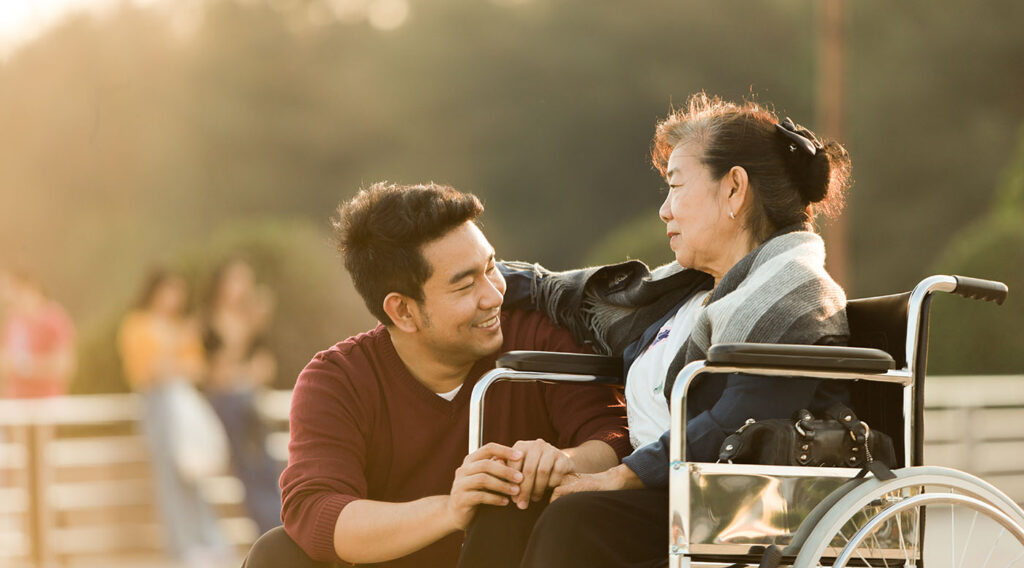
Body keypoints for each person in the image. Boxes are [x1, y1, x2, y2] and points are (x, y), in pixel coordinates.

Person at [460, 92, 853, 568]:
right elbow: (567, 295)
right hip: (669, 491)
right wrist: (465, 276)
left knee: (576, 518)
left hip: (744, 505)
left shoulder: (794, 295)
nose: (665, 210)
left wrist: (621, 476)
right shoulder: (684, 295)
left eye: (676, 186)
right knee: (507, 505)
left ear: (733, 189)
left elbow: (740, 416)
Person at [241, 182, 630, 568]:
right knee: (276, 553)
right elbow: (317, 512)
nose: (494, 295)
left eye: (491, 267)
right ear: (403, 312)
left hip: (524, 554)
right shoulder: (338, 379)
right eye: (465, 285)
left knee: (504, 510)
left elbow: (616, 437)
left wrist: (562, 460)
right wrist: (450, 510)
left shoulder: (540, 335)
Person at [117, 270, 232, 566]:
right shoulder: (138, 325)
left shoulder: (180, 327)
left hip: (182, 405)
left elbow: (197, 368)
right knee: (169, 480)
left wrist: (172, 361)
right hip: (158, 407)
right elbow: (147, 371)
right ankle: (184, 547)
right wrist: (173, 354)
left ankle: (206, 542)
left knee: (192, 476)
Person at [202, 257, 282, 535]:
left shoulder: (251, 321)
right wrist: (243, 333)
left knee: (267, 469)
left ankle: (280, 528)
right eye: (236, 280)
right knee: (250, 469)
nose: (242, 287)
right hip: (229, 406)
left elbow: (266, 367)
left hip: (249, 404)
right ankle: (270, 531)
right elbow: (214, 375)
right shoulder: (210, 322)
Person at [0, 271, 75, 398]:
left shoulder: (54, 319)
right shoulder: (12, 321)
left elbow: (64, 367)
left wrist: (25, 366)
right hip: (16, 402)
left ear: (31, 290)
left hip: (47, 402)